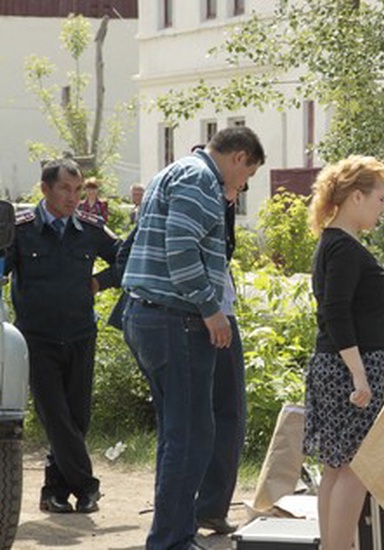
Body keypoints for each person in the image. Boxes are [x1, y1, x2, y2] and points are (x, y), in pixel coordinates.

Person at [121, 126, 265, 550]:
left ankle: (174, 532)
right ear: (239, 157)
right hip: (176, 320)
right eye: (248, 174)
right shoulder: (201, 179)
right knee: (191, 437)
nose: (242, 185)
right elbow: (181, 250)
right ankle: (170, 540)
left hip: (151, 315)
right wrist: (210, 308)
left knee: (179, 434)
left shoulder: (175, 171)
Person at [304, 155, 384, 550]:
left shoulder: (337, 244)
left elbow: (352, 309)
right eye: (380, 199)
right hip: (347, 370)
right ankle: (338, 546)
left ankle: (336, 545)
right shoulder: (344, 249)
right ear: (356, 197)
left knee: (337, 465)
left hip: (341, 364)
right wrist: (358, 374)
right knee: (355, 465)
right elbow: (334, 312)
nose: (382, 207)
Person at [5, 158, 120, 514]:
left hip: (80, 335)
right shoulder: (22, 230)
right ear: (45, 189)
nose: (73, 197)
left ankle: (54, 492)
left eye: (77, 189)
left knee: (76, 417)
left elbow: (129, 256)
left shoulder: (89, 228)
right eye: (64, 189)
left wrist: (102, 281)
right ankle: (87, 486)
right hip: (36, 339)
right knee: (55, 414)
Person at [194, 190, 246, 536]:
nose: (238, 192)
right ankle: (204, 508)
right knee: (220, 413)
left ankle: (209, 507)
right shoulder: (198, 199)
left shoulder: (210, 203)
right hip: (207, 315)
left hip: (213, 312)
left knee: (222, 414)